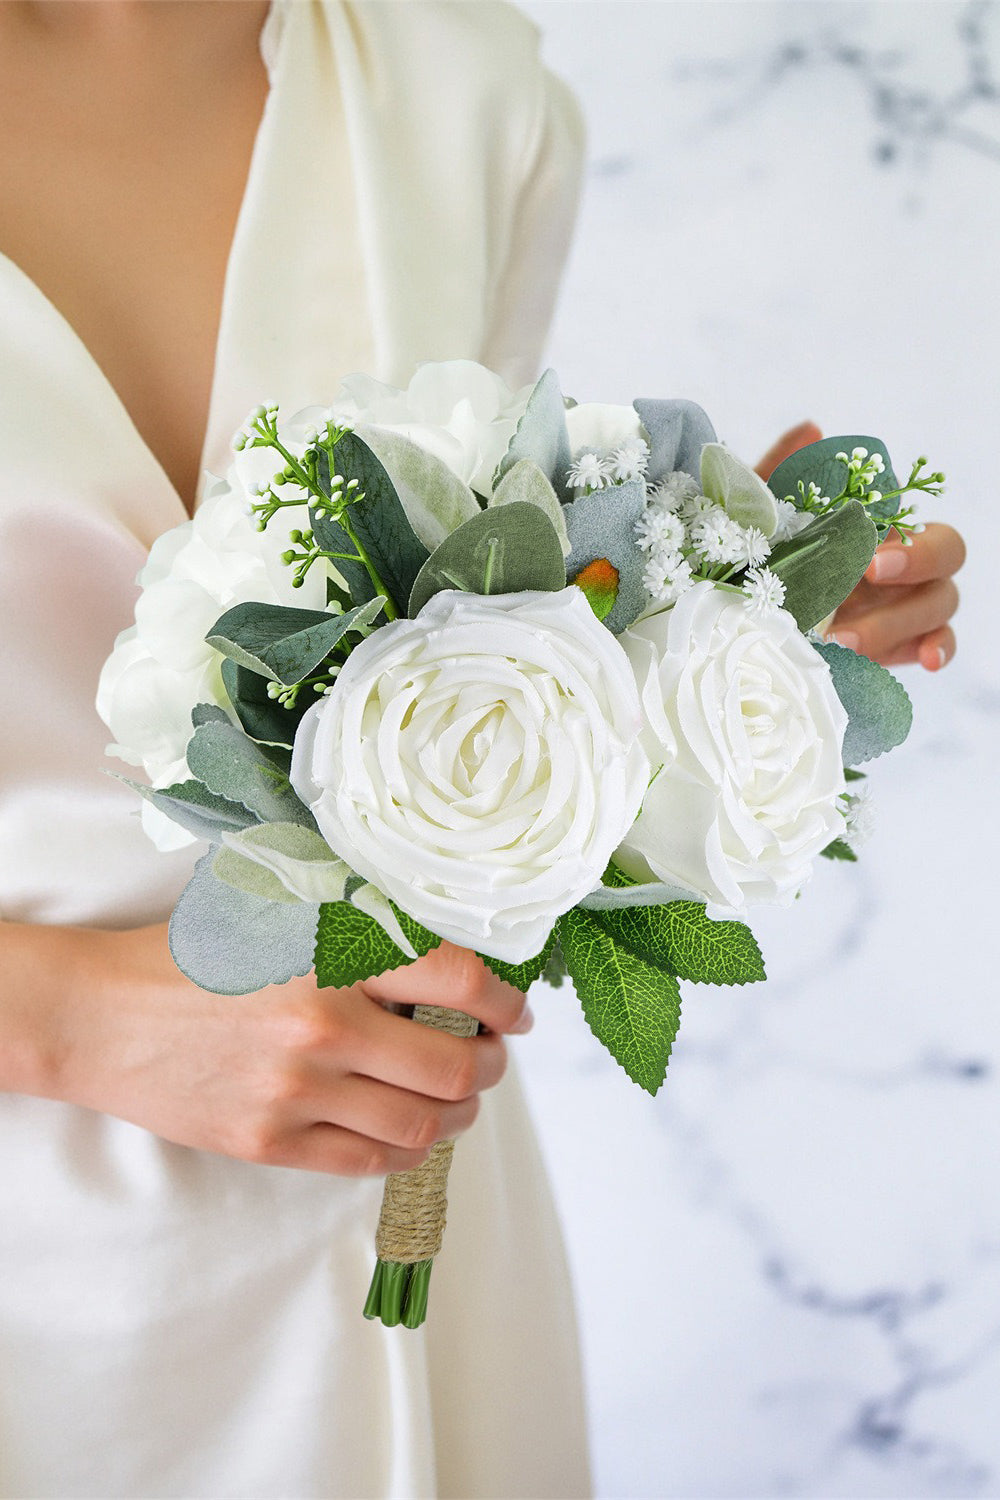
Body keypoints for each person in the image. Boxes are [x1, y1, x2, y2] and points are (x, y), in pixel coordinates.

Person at [0, 3, 964, 1497]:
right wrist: (62, 1018)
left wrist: (702, 621)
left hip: (403, 1237)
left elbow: (438, 611)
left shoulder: (465, 94)